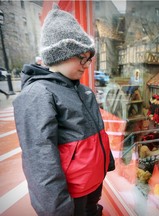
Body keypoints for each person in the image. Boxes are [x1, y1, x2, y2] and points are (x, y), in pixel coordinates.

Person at [13, 5, 114, 216]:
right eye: (82, 57)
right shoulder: (38, 94)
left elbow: (98, 132)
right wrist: (55, 208)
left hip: (91, 184)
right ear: (61, 54)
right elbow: (39, 158)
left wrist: (107, 163)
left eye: (89, 58)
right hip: (70, 194)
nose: (87, 64)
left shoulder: (83, 91)